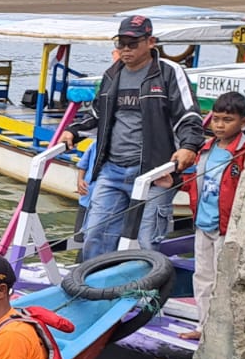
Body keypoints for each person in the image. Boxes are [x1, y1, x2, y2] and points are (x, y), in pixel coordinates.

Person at [69, 14, 205, 259]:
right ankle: (94, 291)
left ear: (150, 42)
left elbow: (189, 116)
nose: (125, 49)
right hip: (112, 171)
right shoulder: (112, 75)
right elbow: (97, 115)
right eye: (120, 43)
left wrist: (189, 146)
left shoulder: (168, 73)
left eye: (132, 43)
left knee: (147, 243)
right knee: (95, 235)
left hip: (155, 173)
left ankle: (145, 294)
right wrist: (73, 131)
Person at [178, 92, 245, 341]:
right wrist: (174, 183)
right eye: (216, 119)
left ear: (243, 122)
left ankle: (224, 331)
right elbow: (196, 182)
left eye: (227, 120)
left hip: (227, 227)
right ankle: (203, 326)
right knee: (203, 277)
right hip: (203, 223)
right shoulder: (206, 149)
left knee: (226, 279)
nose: (219, 125)